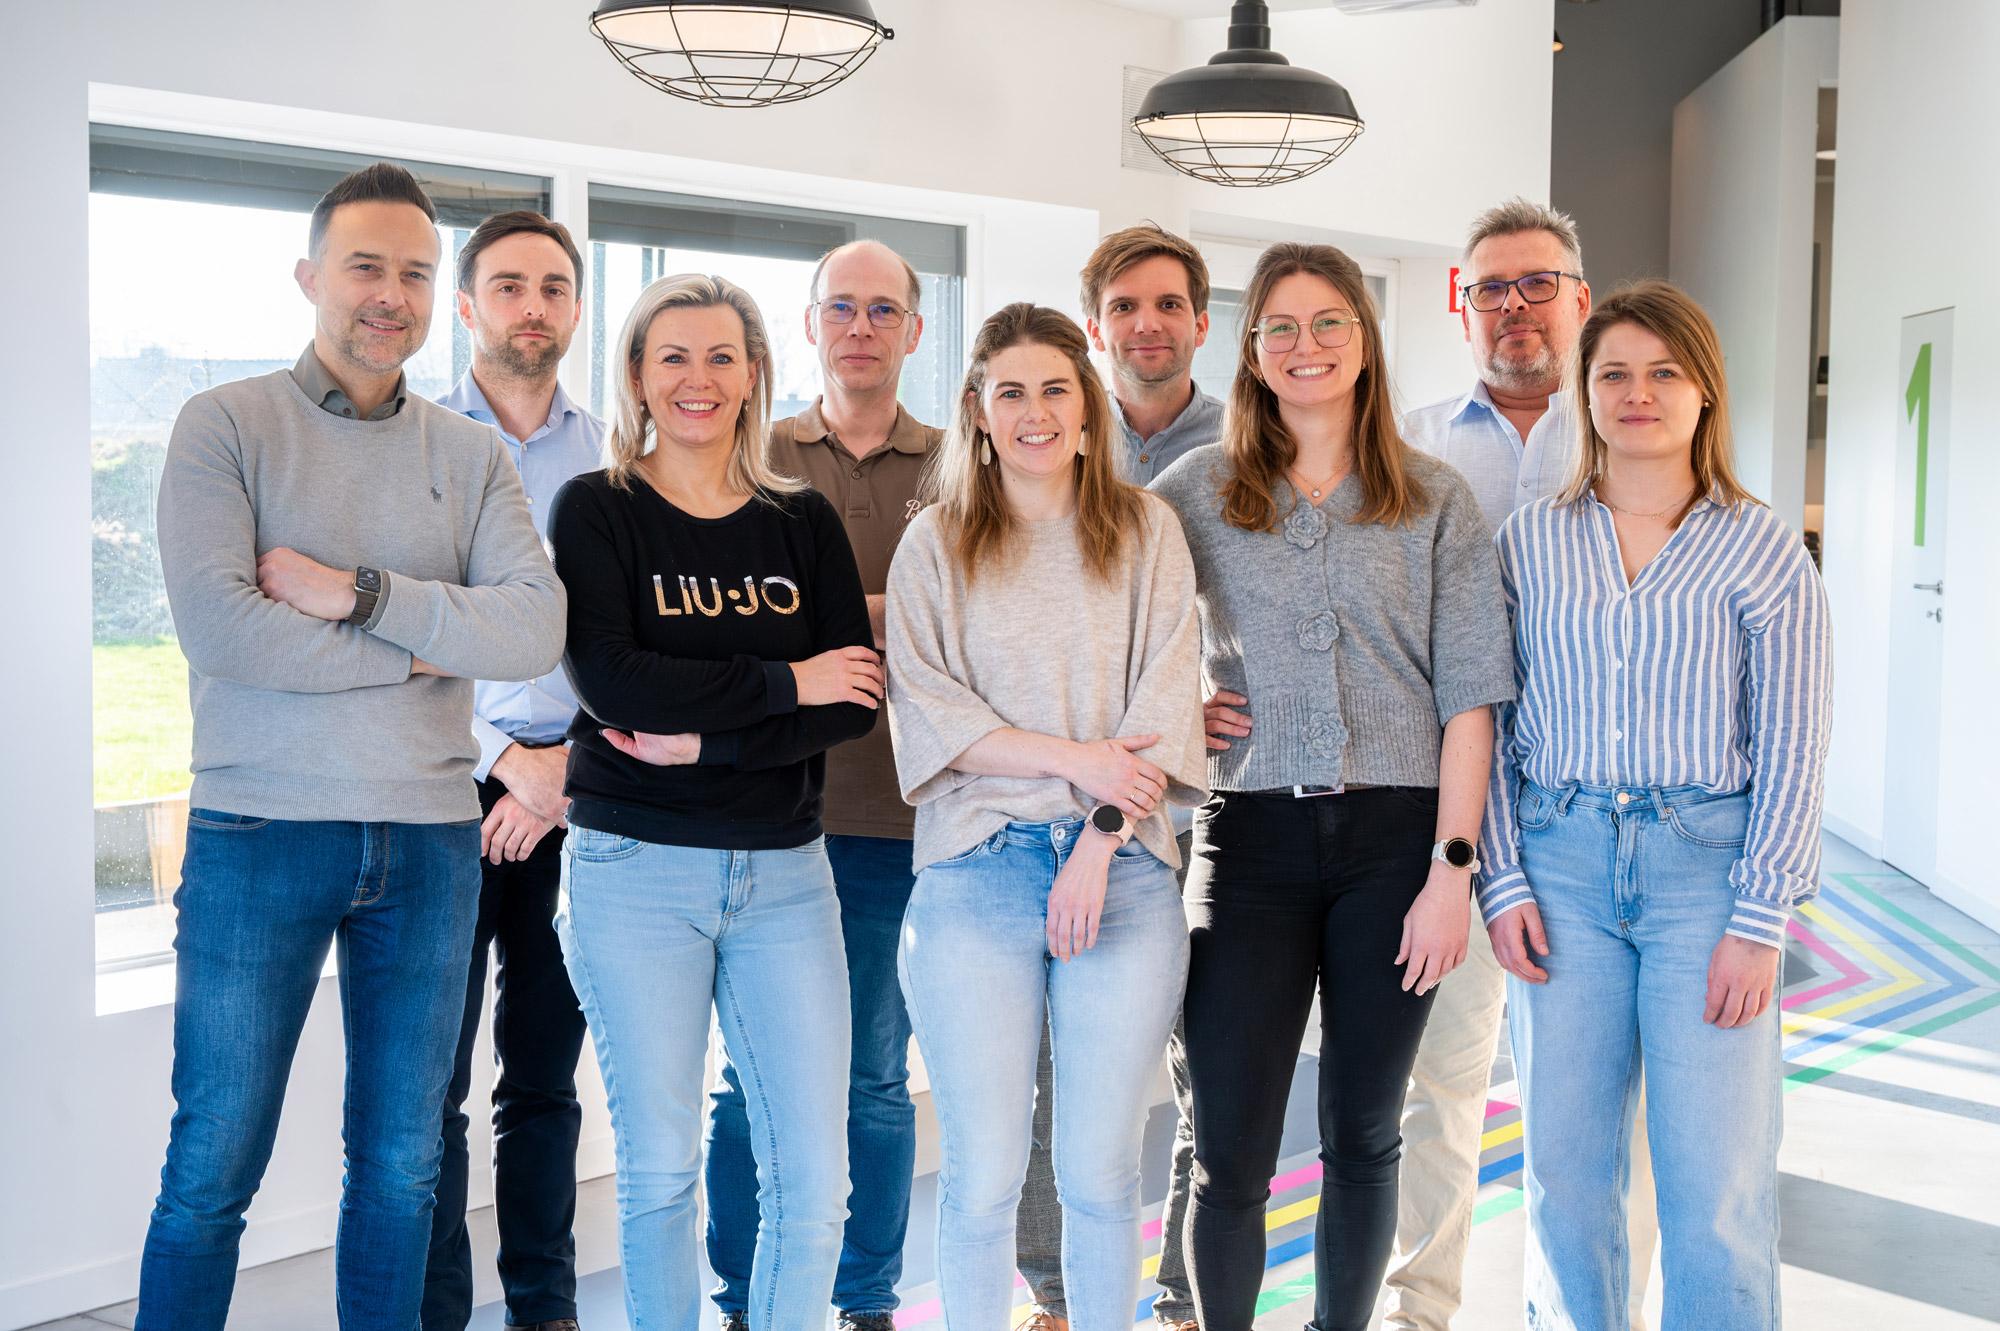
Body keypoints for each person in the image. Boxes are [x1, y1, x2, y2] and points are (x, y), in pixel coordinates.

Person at [140, 162, 567, 1331]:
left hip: (429, 841)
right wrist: (428, 647)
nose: (391, 294)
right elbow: (225, 632)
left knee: (401, 1166)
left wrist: (354, 593)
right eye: (366, 266)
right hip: (258, 830)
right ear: (309, 276)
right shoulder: (225, 425)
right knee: (213, 1163)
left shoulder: (471, 455)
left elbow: (532, 627)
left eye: (415, 274)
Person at [1149, 242, 1513, 1331]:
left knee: (1364, 1132)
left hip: (1397, 850)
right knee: (1229, 1144)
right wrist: (1183, 709)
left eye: (1327, 323)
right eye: (1279, 327)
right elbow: (1123, 636)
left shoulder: (1435, 498)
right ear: (1251, 350)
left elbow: (1470, 701)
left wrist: (1450, 873)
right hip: (1248, 842)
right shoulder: (1193, 491)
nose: (1303, 346)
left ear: (1364, 338)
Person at [1479, 280, 1830, 1331]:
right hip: (1559, 866)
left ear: (1703, 390)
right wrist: (1500, 878)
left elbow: (1794, 743)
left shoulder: (1763, 549)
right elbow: (1489, 719)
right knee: (1564, 1172)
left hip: (1706, 878)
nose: (1638, 393)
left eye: (1663, 372)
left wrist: (1759, 919)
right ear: (1583, 394)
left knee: (1714, 1184)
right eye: (1614, 374)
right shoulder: (1528, 542)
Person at [548, 272, 879, 1331]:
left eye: (721, 356)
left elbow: (854, 698)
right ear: (637, 375)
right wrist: (786, 680)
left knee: (813, 1178)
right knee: (658, 1171)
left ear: (753, 374)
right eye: (673, 356)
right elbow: (614, 681)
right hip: (633, 869)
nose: (698, 378)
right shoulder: (597, 507)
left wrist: (711, 739)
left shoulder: (801, 519)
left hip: (786, 873)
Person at [886, 302, 1205, 1331]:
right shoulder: (935, 543)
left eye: (1055, 389)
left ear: (1087, 405)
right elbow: (931, 716)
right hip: (974, 869)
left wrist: (1097, 841)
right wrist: (1075, 761)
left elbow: (1165, 707)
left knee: (1099, 1170)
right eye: (1010, 391)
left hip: (1125, 872)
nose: (1034, 412)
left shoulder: (1146, 530)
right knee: (981, 1175)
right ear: (977, 410)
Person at [1390, 198, 1658, 1331]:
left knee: (1599, 1106)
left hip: (1594, 817)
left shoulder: (1631, 432)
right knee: (1441, 1085)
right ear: (1463, 305)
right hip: (1451, 820)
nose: (1514, 306)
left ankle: (1588, 1312)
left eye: (1537, 283)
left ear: (1579, 299)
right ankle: (1421, 1308)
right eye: (1491, 287)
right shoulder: (1406, 445)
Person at [703, 239, 940, 1331]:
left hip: (899, 817)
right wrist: (880, 612)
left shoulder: (959, 463)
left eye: (882, 309)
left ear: (914, 330)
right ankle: (741, 1301)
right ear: (808, 324)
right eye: (840, 306)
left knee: (875, 1076)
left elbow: (969, 614)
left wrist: (824, 611)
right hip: (760, 815)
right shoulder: (750, 451)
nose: (860, 326)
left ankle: (865, 1299)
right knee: (750, 1078)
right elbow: (728, 618)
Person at [1009, 222, 1222, 1331]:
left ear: (1201, 320)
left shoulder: (1247, 442)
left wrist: (1209, 702)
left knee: (1198, 1061)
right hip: (1057, 794)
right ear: (1096, 325)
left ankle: (1180, 1296)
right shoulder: (1046, 438)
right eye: (1125, 305)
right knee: (1058, 1058)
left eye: (1168, 303)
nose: (1147, 323)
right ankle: (1056, 1294)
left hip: (1205, 792)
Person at [424, 210, 604, 1331]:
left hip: (580, 796)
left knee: (543, 1080)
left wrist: (562, 773)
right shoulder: (415, 443)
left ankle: (545, 1309)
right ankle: (436, 1313)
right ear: (466, 306)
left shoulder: (615, 458)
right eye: (506, 286)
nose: (531, 306)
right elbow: (404, 629)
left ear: (575, 308)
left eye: (551, 287)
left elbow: (632, 639)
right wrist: (507, 762)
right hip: (443, 789)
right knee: (428, 1090)